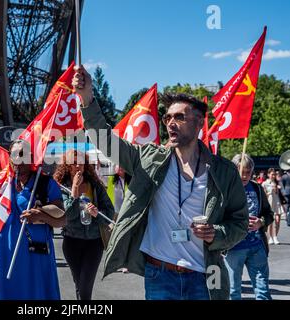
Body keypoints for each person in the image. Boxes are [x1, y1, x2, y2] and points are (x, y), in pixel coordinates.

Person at [72, 65, 248, 300]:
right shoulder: (148, 159)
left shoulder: (224, 172)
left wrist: (216, 233)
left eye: (179, 117)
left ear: (198, 123)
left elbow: (239, 222)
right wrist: (86, 98)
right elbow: (105, 141)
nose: (170, 123)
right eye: (167, 117)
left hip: (205, 276)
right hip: (160, 274)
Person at [0, 140, 65, 300]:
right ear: (10, 158)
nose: (18, 159)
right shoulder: (2, 185)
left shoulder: (45, 183)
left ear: (31, 157)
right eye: (14, 155)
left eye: (23, 154)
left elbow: (61, 219)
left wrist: (40, 214)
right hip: (6, 259)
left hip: (36, 260)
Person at [53, 150, 115, 300]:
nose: (78, 165)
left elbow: (109, 212)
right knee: (79, 285)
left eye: (81, 162)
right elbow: (67, 216)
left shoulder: (95, 185)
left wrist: (96, 213)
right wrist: (74, 188)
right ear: (67, 166)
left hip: (94, 243)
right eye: (73, 162)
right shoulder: (61, 187)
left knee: (85, 286)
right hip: (72, 241)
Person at [224, 154, 274, 300]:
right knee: (233, 291)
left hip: (257, 246)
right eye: (242, 172)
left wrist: (261, 222)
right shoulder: (226, 189)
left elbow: (268, 213)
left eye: (248, 172)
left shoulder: (257, 188)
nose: (245, 176)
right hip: (234, 247)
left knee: (263, 290)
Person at [106, 164, 131, 273]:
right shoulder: (111, 179)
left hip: (127, 212)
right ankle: (117, 263)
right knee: (115, 239)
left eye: (122, 166)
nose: (120, 167)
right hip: (115, 213)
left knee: (125, 238)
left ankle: (126, 263)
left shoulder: (131, 179)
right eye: (117, 166)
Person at [262, 168, 285, 244]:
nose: (273, 176)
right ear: (268, 175)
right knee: (271, 222)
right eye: (272, 174)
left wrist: (277, 188)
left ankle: (275, 236)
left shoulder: (277, 183)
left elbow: (280, 195)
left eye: (274, 174)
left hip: (277, 202)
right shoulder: (265, 183)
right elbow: (264, 196)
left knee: (277, 221)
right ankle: (270, 237)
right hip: (270, 202)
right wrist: (269, 193)